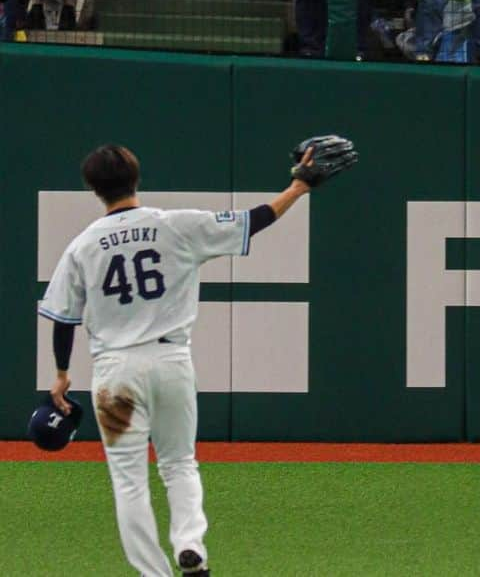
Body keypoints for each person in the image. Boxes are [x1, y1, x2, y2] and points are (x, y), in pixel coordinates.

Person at [38, 140, 338, 577]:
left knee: (129, 481)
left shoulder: (82, 246)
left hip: (114, 374)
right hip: (170, 363)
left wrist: (62, 374)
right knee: (179, 462)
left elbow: (63, 319)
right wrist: (298, 187)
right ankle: (190, 545)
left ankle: (154, 573)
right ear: (135, 176)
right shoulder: (174, 225)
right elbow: (254, 220)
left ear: (93, 188)